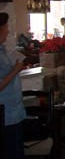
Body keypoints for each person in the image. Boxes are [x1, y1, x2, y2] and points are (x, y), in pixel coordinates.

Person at [0, 12, 26, 159]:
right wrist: (16, 70)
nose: (8, 31)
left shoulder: (3, 50)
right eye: (5, 27)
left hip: (13, 112)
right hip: (5, 114)